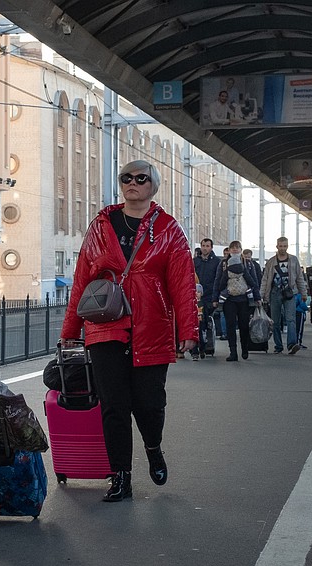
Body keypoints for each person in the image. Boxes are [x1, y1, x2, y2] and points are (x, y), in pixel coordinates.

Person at [61, 159, 198, 502]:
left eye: (141, 178)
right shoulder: (101, 225)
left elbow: (182, 283)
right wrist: (70, 329)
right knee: (113, 405)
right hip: (105, 325)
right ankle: (121, 476)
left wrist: (189, 329)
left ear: (153, 185)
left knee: (150, 403)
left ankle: (153, 447)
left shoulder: (168, 229)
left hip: (152, 325)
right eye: (126, 178)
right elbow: (82, 277)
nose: (132, 183)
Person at [260, 236, 309, 355]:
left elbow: (299, 277)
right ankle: (278, 346)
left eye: (285, 246)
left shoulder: (293, 260)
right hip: (274, 293)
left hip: (290, 292)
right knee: (276, 321)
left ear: (287, 246)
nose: (283, 248)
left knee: (290, 319)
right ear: (277, 246)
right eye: (280, 246)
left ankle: (292, 344)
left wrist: (304, 293)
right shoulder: (271, 262)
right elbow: (265, 279)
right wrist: (261, 295)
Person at [215, 241, 260, 362]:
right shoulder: (223, 264)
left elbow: (254, 281)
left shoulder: (248, 263)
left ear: (241, 249)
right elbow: (218, 281)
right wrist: (215, 298)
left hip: (244, 299)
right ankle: (233, 352)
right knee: (230, 326)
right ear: (229, 250)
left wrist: (257, 298)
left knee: (244, 326)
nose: (235, 250)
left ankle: (244, 348)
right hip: (229, 299)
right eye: (232, 248)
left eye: (237, 248)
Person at [192, 238, 220, 357]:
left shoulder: (216, 262)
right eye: (203, 245)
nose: (204, 248)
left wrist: (215, 298)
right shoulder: (195, 261)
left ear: (211, 247)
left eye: (207, 246)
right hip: (195, 297)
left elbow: (218, 281)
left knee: (203, 322)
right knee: (196, 322)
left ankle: (203, 345)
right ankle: (195, 349)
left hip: (209, 297)